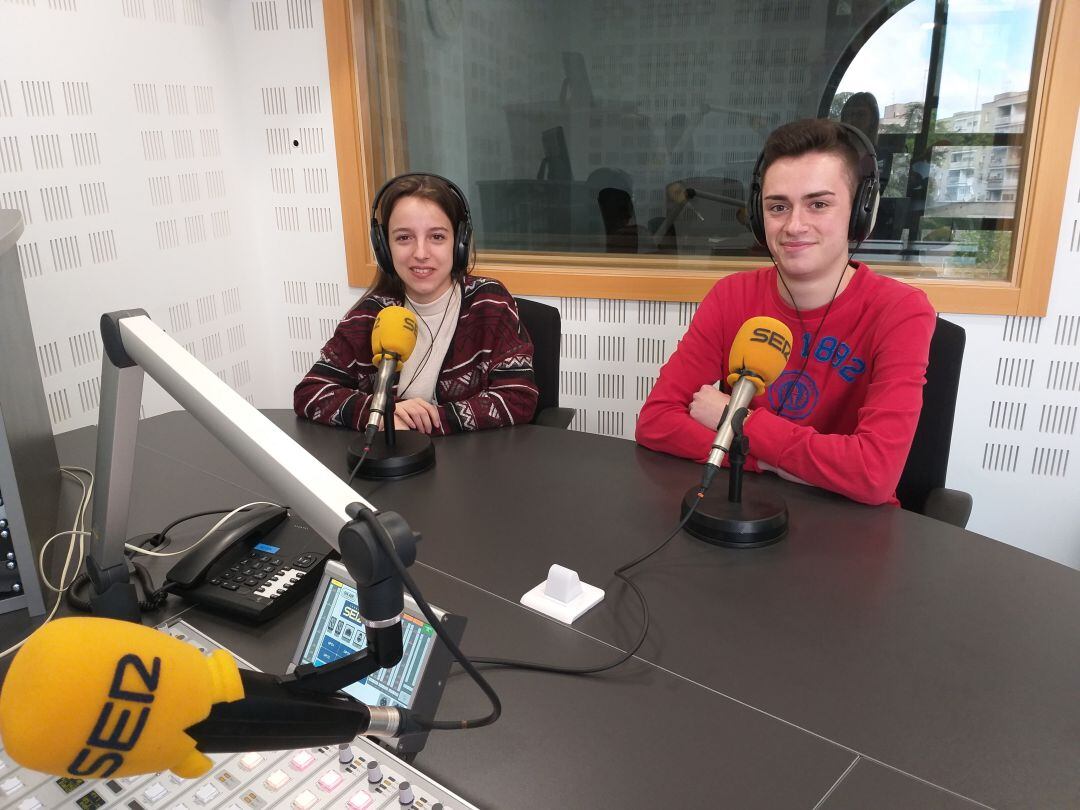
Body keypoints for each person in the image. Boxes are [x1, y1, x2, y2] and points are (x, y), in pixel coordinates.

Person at [636, 119, 936, 506]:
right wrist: (767, 460)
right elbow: (657, 422)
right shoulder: (732, 296)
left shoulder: (901, 312)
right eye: (778, 206)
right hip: (740, 507)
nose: (794, 225)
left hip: (846, 530)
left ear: (860, 213)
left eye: (819, 204)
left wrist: (735, 420)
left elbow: (873, 473)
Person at [294, 173, 538, 434]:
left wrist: (431, 420)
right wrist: (379, 412)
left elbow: (518, 397)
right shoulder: (369, 316)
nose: (420, 253)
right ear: (384, 248)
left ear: (459, 243)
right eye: (404, 238)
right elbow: (311, 392)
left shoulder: (489, 303)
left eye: (437, 237)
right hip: (394, 467)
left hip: (473, 465)